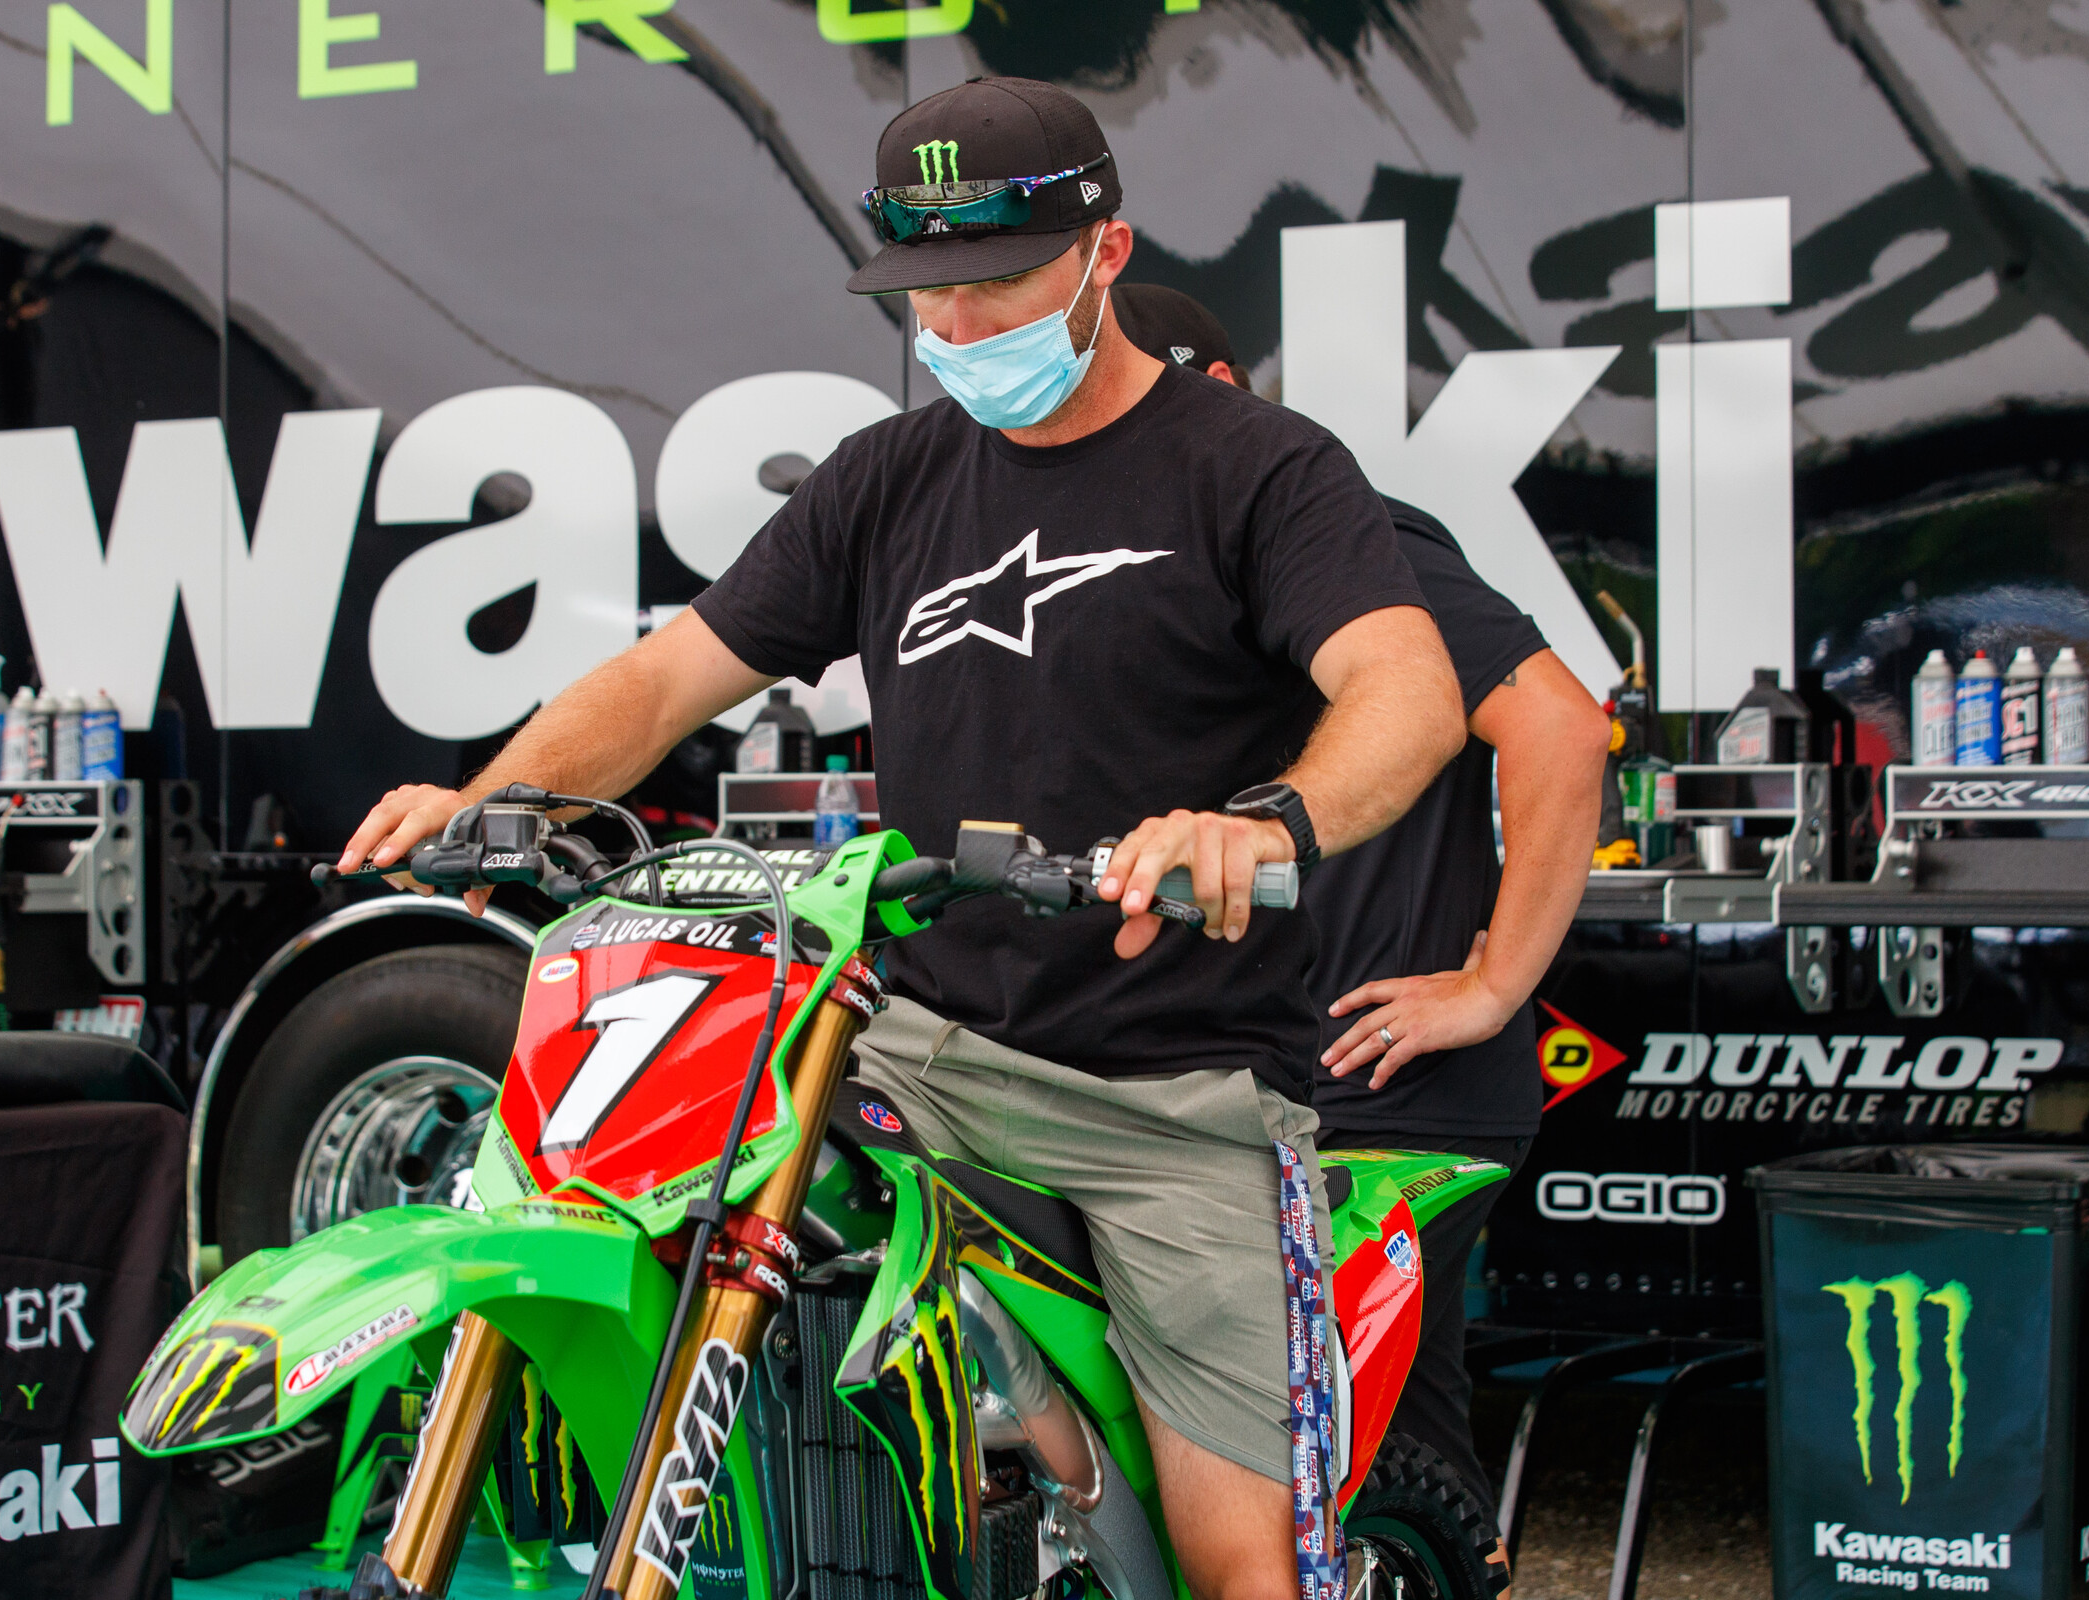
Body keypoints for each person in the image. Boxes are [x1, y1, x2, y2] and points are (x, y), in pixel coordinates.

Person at [343, 79, 1466, 1599]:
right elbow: (672, 673)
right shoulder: (889, 479)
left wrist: (1261, 820)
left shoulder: (1258, 468)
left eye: (993, 278)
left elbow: (1405, 688)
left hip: (1176, 1094)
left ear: (1106, 248)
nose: (954, 320)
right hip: (911, 1054)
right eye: (923, 286)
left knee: (1235, 1570)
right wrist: (488, 801)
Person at [1116, 283, 1610, 1540]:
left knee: (1362, 1460)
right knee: (1331, 1455)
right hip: (1248, 1073)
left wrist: (1495, 981)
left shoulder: (1349, 537)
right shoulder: (1139, 567)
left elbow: (1558, 721)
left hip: (1387, 1076)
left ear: (1213, 396)